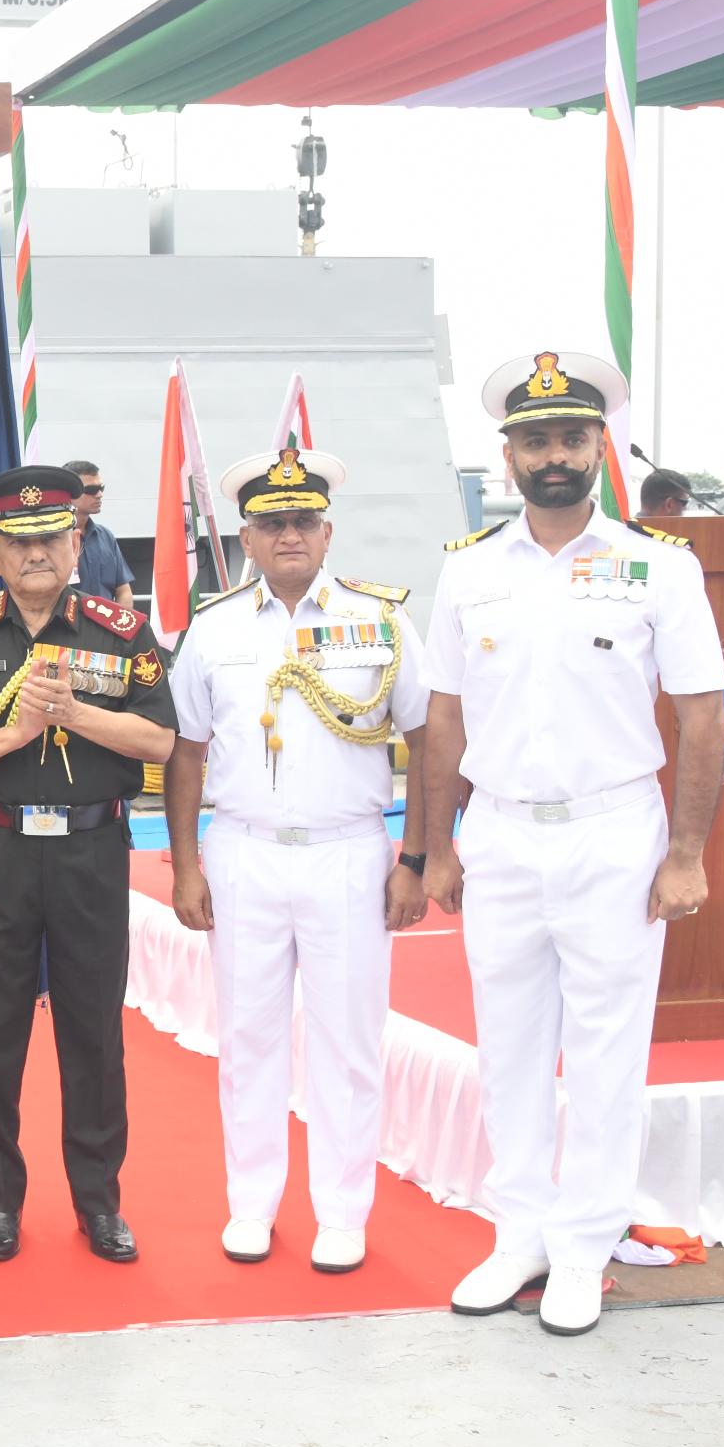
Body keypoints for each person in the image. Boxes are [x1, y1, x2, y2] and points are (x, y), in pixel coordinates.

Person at [423, 352, 724, 1336]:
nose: (552, 455)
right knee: (508, 1045)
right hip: (501, 832)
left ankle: (585, 1243)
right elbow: (442, 717)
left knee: (605, 1050)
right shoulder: (467, 568)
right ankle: (519, 1230)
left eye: (570, 437)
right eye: (534, 440)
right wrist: (436, 847)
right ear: (506, 455)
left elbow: (701, 716)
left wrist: (685, 852)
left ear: (600, 447)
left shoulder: (659, 565)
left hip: (613, 832)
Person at [164, 449, 430, 1274]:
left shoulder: (380, 620)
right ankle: (252, 1203)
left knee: (348, 1042)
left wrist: (418, 858)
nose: (289, 535)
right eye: (272, 523)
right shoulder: (214, 627)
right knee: (248, 1038)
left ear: (327, 532)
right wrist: (184, 867)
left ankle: (343, 1213)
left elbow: (429, 738)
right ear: (246, 537)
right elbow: (184, 752)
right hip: (243, 852)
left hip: (347, 854)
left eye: (303, 521)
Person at [0, 464, 177, 1263]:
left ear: (77, 543)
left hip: (91, 853)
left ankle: (99, 1204)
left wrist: (76, 716)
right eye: (19, 541)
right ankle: (0, 1202)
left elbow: (160, 741)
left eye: (51, 538)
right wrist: (15, 735)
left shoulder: (121, 633)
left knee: (93, 1034)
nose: (36, 554)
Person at [59, 461, 135, 606]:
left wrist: (121, 619)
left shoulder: (106, 536)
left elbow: (124, 591)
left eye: (101, 488)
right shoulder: (53, 539)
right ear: (69, 492)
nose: (99, 494)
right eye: (91, 489)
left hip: (106, 619)